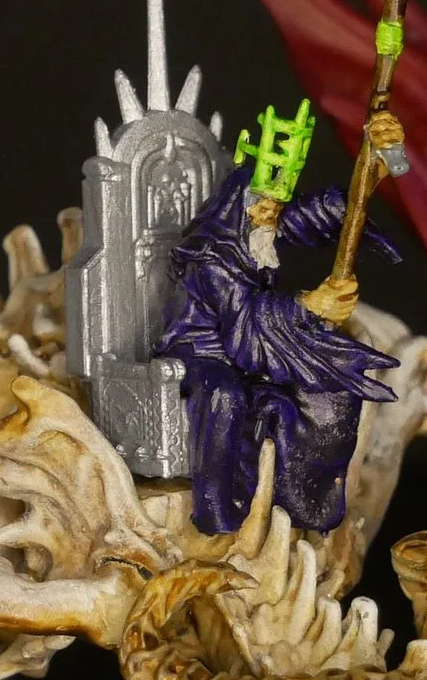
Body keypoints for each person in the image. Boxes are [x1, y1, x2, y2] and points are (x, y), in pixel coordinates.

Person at [156, 101, 404, 534]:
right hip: (201, 355)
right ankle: (215, 515)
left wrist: (378, 166)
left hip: (253, 345)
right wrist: (310, 305)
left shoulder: (259, 231)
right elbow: (245, 327)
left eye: (276, 206)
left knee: (325, 389)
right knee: (226, 397)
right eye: (264, 207)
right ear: (241, 205)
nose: (272, 215)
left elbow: (321, 215)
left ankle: (299, 501)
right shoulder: (212, 257)